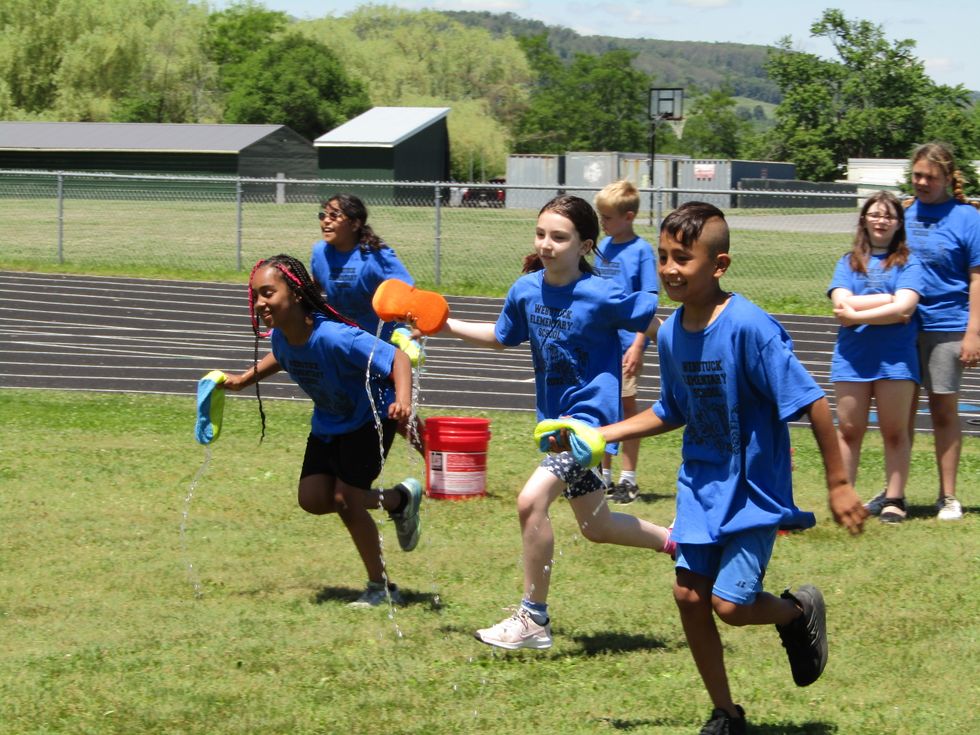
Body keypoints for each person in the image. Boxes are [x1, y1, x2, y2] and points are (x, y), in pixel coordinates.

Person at [593, 202, 867, 734]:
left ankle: (795, 612)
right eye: (664, 256)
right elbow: (672, 408)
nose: (670, 269)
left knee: (730, 605)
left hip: (753, 492)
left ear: (718, 265)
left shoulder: (750, 327)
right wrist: (604, 434)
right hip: (700, 486)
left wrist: (838, 483)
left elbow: (810, 402)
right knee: (688, 596)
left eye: (683, 258)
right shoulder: (670, 334)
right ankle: (727, 713)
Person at [433, 195, 674, 651]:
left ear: (584, 245)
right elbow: (501, 337)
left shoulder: (603, 293)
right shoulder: (526, 290)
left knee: (530, 501)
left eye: (559, 237)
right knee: (597, 526)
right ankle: (681, 544)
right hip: (555, 427)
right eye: (541, 234)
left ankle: (533, 618)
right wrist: (447, 324)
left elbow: (657, 325)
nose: (546, 244)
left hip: (588, 426)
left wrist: (697, 353)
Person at [222, 254, 424, 608]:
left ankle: (381, 587)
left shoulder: (335, 337)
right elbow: (281, 357)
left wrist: (403, 401)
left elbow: (397, 358)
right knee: (313, 499)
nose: (259, 303)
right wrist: (242, 380)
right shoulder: (283, 337)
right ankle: (399, 500)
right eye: (255, 296)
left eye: (267, 293)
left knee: (347, 500)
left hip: (369, 419)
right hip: (329, 422)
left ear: (297, 293)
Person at [884, 142, 980, 521]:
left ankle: (949, 496)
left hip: (949, 326)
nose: (922, 182)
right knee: (899, 413)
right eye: (917, 175)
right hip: (902, 329)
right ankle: (895, 494)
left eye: (930, 176)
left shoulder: (968, 218)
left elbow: (977, 280)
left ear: (947, 177)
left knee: (943, 412)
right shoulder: (903, 213)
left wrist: (974, 333)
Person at [828, 191, 923, 523]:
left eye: (889, 216)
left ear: (899, 224)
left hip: (895, 359)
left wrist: (857, 313)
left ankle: (895, 498)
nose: (881, 221)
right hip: (852, 358)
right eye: (875, 214)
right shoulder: (847, 262)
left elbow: (906, 306)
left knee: (894, 431)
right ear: (863, 219)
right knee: (850, 430)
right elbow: (841, 304)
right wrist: (887, 304)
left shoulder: (909, 263)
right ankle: (847, 498)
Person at [311, 193, 425, 453]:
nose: (325, 222)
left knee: (394, 408)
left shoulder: (376, 255)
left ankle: (435, 458)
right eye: (322, 215)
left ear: (355, 223)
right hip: (344, 344)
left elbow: (407, 290)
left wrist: (417, 321)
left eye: (334, 216)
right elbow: (315, 287)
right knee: (353, 405)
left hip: (382, 345)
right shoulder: (320, 253)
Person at [592, 180, 658, 504]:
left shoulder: (641, 251)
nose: (603, 223)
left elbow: (648, 302)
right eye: (600, 217)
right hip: (600, 342)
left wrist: (637, 345)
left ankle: (628, 479)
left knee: (628, 411)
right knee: (603, 408)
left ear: (628, 216)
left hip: (626, 345)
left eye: (607, 217)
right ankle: (601, 476)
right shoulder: (603, 246)